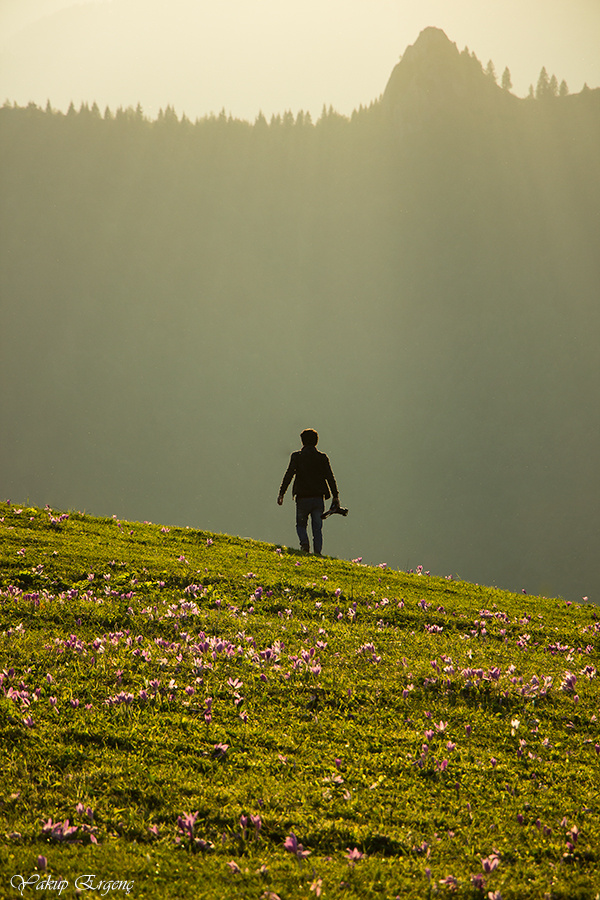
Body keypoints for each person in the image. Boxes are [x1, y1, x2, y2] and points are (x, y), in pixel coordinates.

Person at [277, 428, 340, 556]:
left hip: (302, 498)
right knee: (317, 527)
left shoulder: (297, 457)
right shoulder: (322, 458)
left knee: (301, 525)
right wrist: (335, 496)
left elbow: (289, 475)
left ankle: (304, 545)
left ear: (302, 442)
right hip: (318, 498)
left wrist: (281, 493)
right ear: (316, 441)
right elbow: (330, 477)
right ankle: (318, 552)